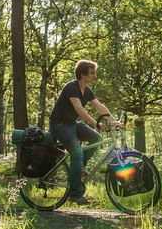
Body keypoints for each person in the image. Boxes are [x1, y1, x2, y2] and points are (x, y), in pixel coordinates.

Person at [48, 59, 121, 205]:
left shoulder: (87, 90)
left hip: (72, 124)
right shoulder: (71, 87)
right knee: (77, 152)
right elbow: (80, 110)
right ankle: (75, 194)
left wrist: (113, 121)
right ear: (82, 74)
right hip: (60, 125)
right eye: (92, 73)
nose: (95, 76)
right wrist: (96, 124)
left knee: (97, 139)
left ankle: (80, 167)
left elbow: (99, 106)